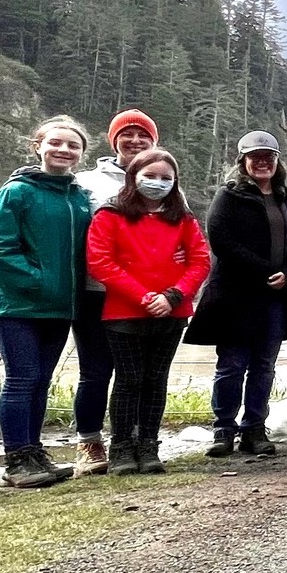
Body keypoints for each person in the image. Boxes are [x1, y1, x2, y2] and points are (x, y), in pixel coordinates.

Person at [0, 116, 94, 488]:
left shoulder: (79, 197)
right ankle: (16, 459)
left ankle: (34, 452)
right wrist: (38, 280)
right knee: (21, 378)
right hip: (16, 305)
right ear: (38, 146)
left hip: (61, 307)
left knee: (40, 380)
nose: (64, 150)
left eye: (72, 145)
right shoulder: (17, 192)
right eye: (56, 143)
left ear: (81, 154)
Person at [86, 148, 211, 476]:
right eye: (150, 176)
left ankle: (149, 445)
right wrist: (144, 297)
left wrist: (173, 295)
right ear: (134, 177)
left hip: (172, 312)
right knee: (128, 380)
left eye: (165, 178)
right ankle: (122, 448)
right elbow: (101, 262)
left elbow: (200, 260)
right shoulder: (110, 215)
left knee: (156, 380)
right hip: (124, 313)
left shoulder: (182, 218)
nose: (158, 183)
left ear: (175, 182)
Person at [186, 131, 287, 458]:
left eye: (268, 156)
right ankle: (224, 429)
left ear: (277, 161)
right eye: (255, 157)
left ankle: (254, 428)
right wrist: (266, 270)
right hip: (236, 298)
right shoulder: (228, 196)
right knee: (232, 365)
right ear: (243, 161)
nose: (262, 162)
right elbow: (221, 240)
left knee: (264, 366)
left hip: (275, 298)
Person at [70, 108, 157, 475]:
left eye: (144, 136)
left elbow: (179, 234)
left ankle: (132, 438)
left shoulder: (162, 179)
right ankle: (90, 443)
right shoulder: (87, 182)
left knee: (135, 372)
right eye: (128, 134)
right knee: (95, 370)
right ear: (114, 140)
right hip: (95, 291)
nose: (135, 141)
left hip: (144, 296)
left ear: (154, 142)